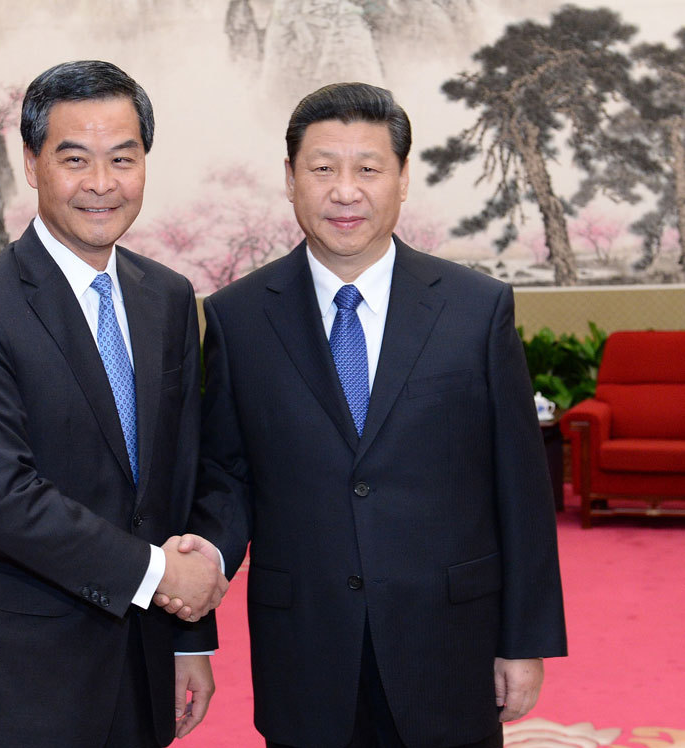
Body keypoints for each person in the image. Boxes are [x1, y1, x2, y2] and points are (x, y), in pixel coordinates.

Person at [167, 82, 567, 747]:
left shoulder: (476, 309)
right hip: (306, 648)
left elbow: (519, 487)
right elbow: (227, 475)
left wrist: (525, 642)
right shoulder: (239, 317)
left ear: (402, 179)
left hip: (448, 644)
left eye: (369, 169)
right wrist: (204, 555)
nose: (345, 191)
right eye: (323, 168)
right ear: (290, 180)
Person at [0, 60, 227, 748]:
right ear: (32, 164)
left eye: (123, 159)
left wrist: (188, 640)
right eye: (75, 159)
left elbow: (176, 479)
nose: (101, 184)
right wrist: (158, 576)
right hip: (23, 682)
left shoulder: (170, 298)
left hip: (144, 665)